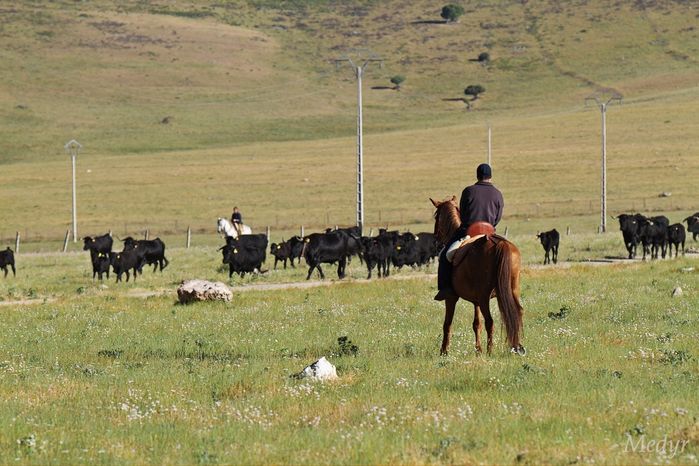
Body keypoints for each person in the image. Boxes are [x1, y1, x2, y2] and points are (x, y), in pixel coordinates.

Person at [434, 163, 504, 301]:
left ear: (477, 176)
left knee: (444, 255)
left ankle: (446, 289)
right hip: (490, 233)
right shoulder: (498, 193)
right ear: (490, 176)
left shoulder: (469, 191)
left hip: (469, 232)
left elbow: (464, 215)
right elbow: (498, 217)